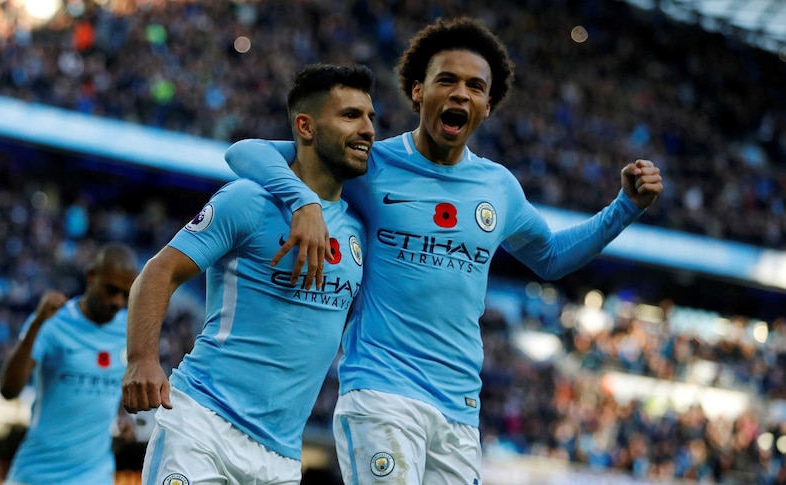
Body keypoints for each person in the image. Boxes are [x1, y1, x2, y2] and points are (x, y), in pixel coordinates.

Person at [223, 17, 664, 484]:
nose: (460, 94)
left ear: (488, 106)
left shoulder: (498, 187)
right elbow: (246, 152)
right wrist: (303, 200)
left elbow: (550, 257)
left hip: (459, 409)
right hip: (382, 393)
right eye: (447, 81)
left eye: (475, 86)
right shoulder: (371, 163)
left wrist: (625, 207)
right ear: (417, 90)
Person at [120, 63, 374, 484]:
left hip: (281, 458)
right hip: (203, 425)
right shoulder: (249, 201)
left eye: (370, 118)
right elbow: (160, 270)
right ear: (305, 127)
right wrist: (142, 358)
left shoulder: (361, 230)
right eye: (350, 115)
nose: (367, 128)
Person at [0, 243, 138, 485]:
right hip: (36, 473)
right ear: (92, 276)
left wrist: (124, 417)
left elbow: (119, 386)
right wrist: (36, 325)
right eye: (111, 290)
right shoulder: (53, 321)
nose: (117, 302)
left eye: (125, 295)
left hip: (94, 474)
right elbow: (8, 390)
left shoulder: (129, 330)